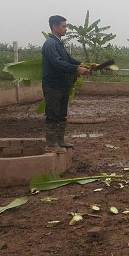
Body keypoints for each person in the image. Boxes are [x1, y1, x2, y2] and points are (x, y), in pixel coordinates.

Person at [42, 15, 90, 153]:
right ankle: (51, 144)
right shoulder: (50, 44)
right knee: (53, 114)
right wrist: (76, 69)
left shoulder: (58, 44)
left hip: (62, 85)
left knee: (61, 114)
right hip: (52, 86)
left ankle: (60, 141)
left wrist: (81, 64)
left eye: (66, 26)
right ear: (55, 27)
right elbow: (58, 63)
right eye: (63, 26)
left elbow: (68, 59)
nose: (66, 29)